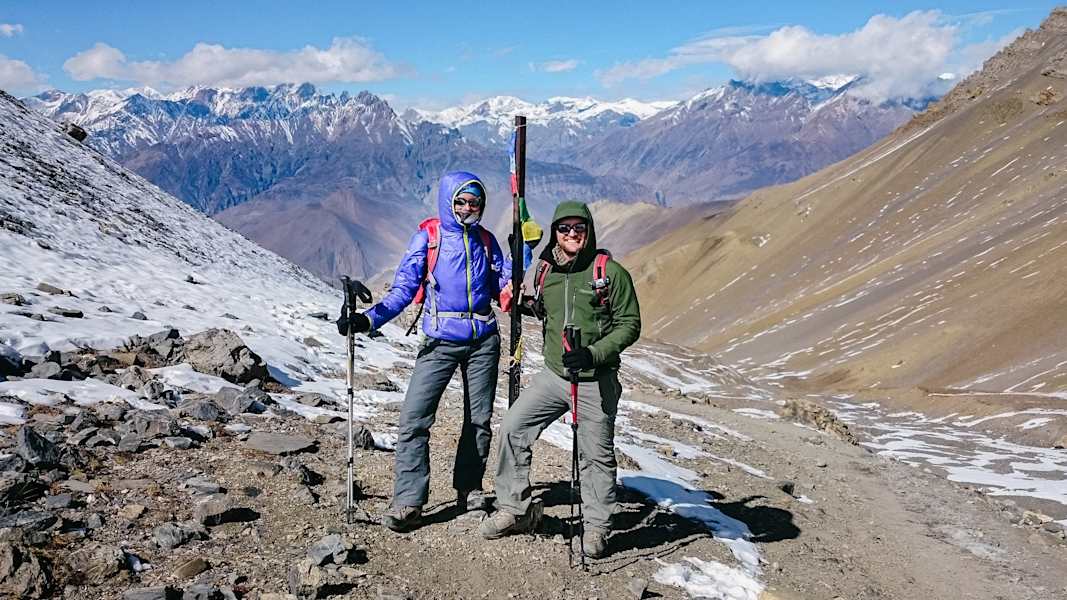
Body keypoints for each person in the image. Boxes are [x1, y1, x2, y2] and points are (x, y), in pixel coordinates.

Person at [336, 171, 510, 532]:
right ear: (448, 202)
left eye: (474, 202)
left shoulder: (487, 241)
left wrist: (522, 250)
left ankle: (470, 489)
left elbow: (502, 286)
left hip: (483, 341)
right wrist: (368, 321)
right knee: (414, 419)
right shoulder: (428, 239)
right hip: (440, 341)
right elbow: (402, 290)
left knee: (478, 421)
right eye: (460, 201)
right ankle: (409, 500)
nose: (467, 208)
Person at [479, 201, 641, 559]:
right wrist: (526, 305)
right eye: (564, 229)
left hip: (594, 379)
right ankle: (515, 509)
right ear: (554, 232)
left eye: (578, 228)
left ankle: (597, 528)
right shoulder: (545, 271)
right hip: (554, 376)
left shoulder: (609, 273)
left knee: (595, 456)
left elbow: (630, 324)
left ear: (589, 231)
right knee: (513, 428)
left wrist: (594, 353)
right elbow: (544, 308)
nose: (571, 234)